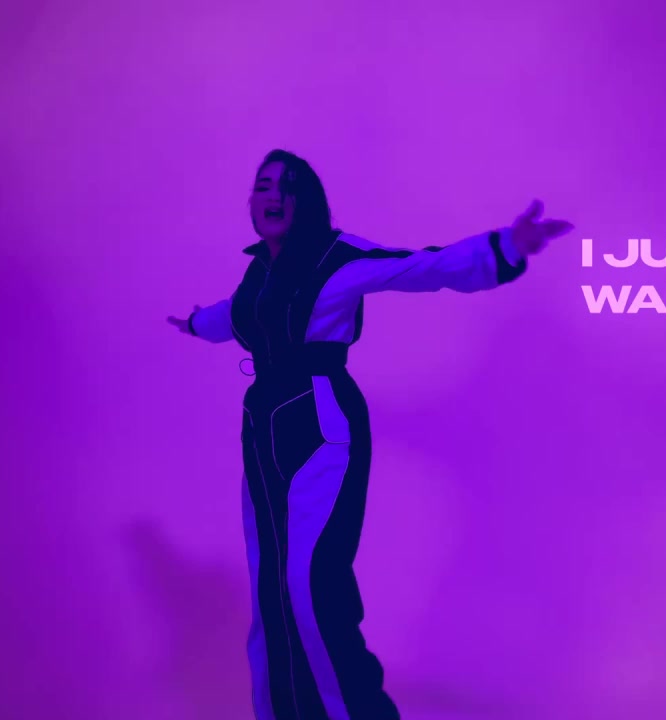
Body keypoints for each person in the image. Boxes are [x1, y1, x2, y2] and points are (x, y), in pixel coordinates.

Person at [167, 149, 572, 720]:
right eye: (264, 185)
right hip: (262, 426)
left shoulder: (338, 258)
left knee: (312, 588)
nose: (274, 196)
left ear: (307, 201)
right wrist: (193, 323)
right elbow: (234, 314)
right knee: (272, 593)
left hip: (319, 421)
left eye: (287, 186)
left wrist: (506, 247)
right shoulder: (259, 273)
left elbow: (425, 267)